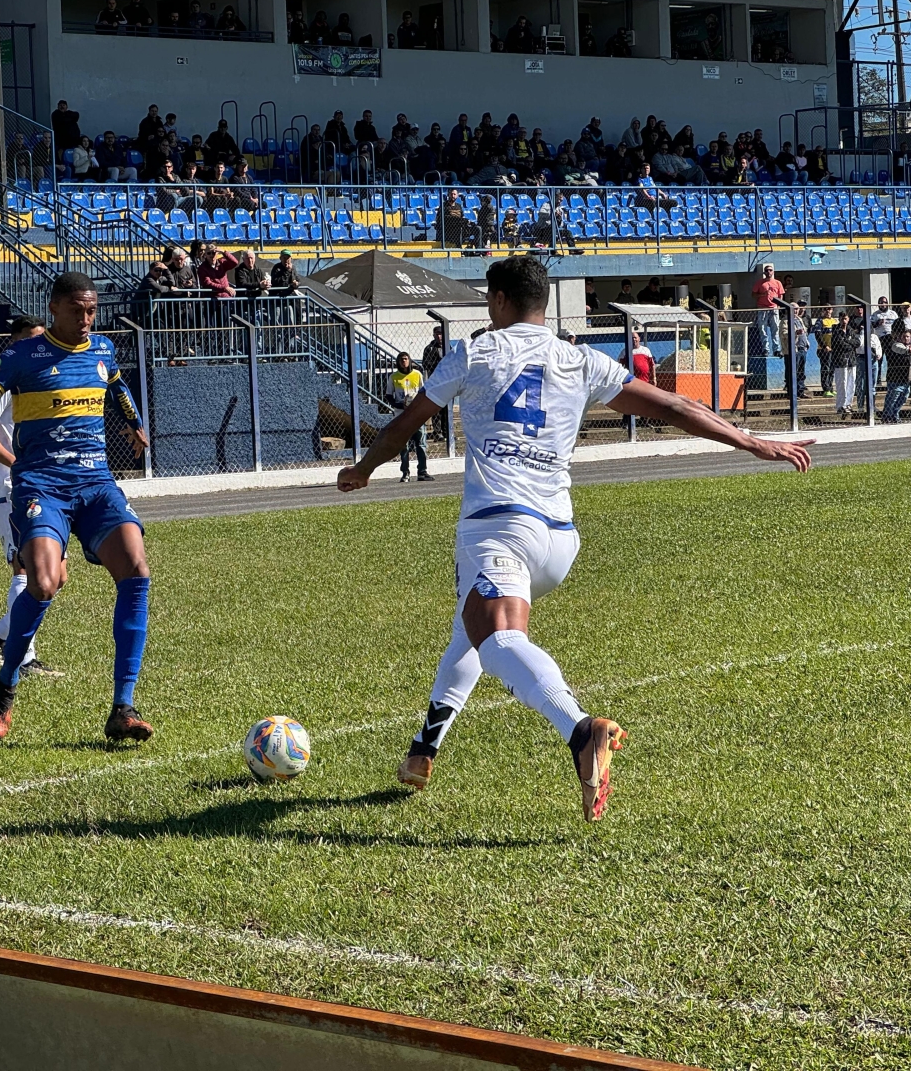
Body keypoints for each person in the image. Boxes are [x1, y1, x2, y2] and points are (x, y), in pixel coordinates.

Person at [336, 257, 812, 822]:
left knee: (498, 640)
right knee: (473, 624)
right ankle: (423, 751)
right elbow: (674, 406)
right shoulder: (579, 358)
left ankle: (580, 729)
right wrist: (749, 440)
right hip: (558, 540)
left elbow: (406, 423)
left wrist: (363, 468)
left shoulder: (474, 352)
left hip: (499, 523)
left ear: (498, 301)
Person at [0, 273, 153, 743]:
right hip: (42, 486)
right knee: (42, 583)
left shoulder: (102, 350)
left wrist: (134, 424)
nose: (86, 319)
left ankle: (124, 706)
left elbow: (117, 387)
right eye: (78, 310)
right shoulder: (22, 357)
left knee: (137, 569)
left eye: (92, 310)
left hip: (97, 484)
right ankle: (5, 689)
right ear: (55, 308)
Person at [0, 315, 64, 681]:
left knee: (56, 577)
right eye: (29, 339)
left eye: (42, 339)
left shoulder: (39, 376)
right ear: (14, 343)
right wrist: (16, 464)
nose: (37, 346)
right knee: (27, 570)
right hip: (10, 489)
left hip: (41, 486)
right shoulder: (6, 379)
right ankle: (23, 658)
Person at [386, 352, 432, 483]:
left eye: (406, 359)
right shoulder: (393, 377)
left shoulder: (417, 374)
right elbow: (389, 395)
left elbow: (424, 391)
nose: (403, 362)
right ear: (397, 362)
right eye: (401, 359)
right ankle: (405, 473)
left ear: (410, 361)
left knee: (421, 444)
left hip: (417, 415)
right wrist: (397, 404)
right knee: (403, 445)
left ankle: (422, 471)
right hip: (401, 416)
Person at [422, 326, 449, 441]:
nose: (439, 336)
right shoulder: (430, 348)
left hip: (447, 382)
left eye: (440, 334)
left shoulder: (448, 347)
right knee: (436, 409)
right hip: (435, 382)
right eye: (436, 334)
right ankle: (438, 433)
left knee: (447, 409)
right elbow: (425, 364)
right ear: (433, 335)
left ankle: (447, 432)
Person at [751, 264, 783, 357]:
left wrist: (779, 306)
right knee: (762, 329)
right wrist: (762, 295)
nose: (769, 272)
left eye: (770, 270)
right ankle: (766, 349)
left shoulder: (778, 283)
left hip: (774, 308)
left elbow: (780, 295)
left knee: (775, 329)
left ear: (773, 272)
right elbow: (753, 295)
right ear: (764, 272)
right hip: (762, 308)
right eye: (767, 270)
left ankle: (776, 349)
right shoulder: (759, 283)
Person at [882, 327, 911, 422]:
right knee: (893, 397)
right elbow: (902, 350)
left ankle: (894, 414)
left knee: (904, 397)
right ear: (900, 337)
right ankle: (887, 416)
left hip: (906, 378)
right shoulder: (895, 345)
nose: (906, 338)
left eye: (908, 337)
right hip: (895, 377)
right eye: (904, 336)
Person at [831, 312, 857, 415]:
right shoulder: (836, 330)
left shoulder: (850, 330)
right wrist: (850, 344)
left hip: (851, 360)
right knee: (842, 383)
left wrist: (848, 342)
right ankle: (840, 406)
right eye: (842, 319)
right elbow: (840, 344)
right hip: (840, 361)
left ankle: (848, 404)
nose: (844, 321)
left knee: (851, 383)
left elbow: (857, 342)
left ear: (848, 319)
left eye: (845, 319)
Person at [812, 304, 837, 397]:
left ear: (832, 310)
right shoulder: (820, 321)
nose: (828, 311)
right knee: (825, 369)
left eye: (829, 309)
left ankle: (830, 387)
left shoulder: (834, 321)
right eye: (826, 309)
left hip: (833, 349)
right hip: (824, 350)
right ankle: (825, 389)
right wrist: (824, 346)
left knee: (832, 369)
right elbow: (817, 335)